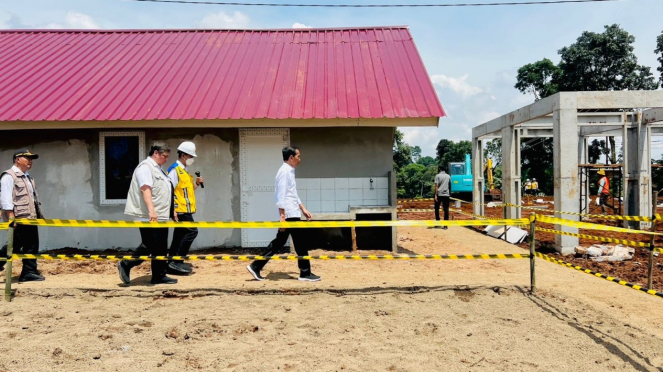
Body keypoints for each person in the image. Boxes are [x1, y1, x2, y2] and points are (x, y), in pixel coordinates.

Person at [246, 146, 320, 282]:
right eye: (298, 156)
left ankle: (256, 266)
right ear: (291, 157)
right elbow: (281, 195)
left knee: (279, 243)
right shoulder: (284, 172)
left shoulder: (289, 171)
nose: (299, 159)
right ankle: (305, 273)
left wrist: (303, 209)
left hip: (293, 212)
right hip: (289, 214)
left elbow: (292, 194)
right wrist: (282, 217)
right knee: (300, 243)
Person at [117, 142, 178, 285]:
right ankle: (126, 264)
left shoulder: (160, 170)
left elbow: (165, 190)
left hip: (161, 215)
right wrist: (151, 210)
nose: (166, 159)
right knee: (150, 245)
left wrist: (171, 210)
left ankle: (159, 275)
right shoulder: (145, 168)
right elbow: (146, 189)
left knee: (161, 246)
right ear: (156, 153)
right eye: (164, 156)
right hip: (148, 215)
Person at [0, 149, 45, 282]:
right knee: (14, 244)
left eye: (31, 158)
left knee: (31, 244)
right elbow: (6, 198)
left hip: (29, 217)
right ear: (17, 159)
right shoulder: (9, 176)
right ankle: (28, 272)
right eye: (27, 158)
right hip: (18, 217)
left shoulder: (28, 177)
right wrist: (11, 217)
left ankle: (29, 272)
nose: (30, 161)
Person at [166, 141, 204, 275]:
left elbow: (187, 191)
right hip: (180, 210)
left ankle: (171, 262)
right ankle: (177, 261)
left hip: (185, 209)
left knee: (179, 235)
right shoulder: (174, 170)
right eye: (190, 156)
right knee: (192, 231)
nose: (192, 159)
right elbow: (169, 190)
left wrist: (197, 184)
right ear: (183, 155)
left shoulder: (184, 171)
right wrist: (173, 209)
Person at [434, 165, 451, 230]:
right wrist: (449, 193)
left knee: (436, 209)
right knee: (446, 210)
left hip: (439, 194)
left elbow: (436, 186)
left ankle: (438, 222)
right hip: (446, 195)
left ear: (439, 169)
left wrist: (436, 195)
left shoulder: (437, 176)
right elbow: (450, 185)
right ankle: (445, 225)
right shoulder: (448, 176)